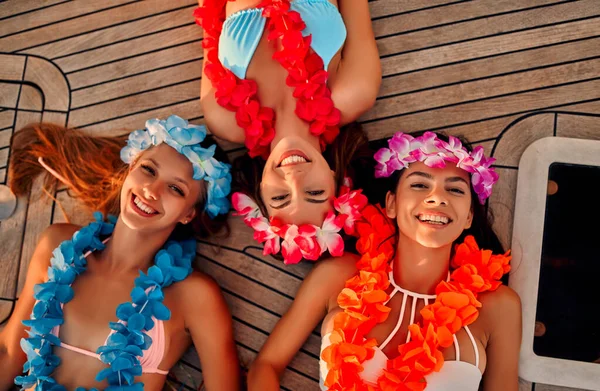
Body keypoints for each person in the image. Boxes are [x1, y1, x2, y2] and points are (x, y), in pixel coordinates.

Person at [247, 131, 522, 390]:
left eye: (456, 190)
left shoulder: (498, 307)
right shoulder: (339, 276)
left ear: (469, 217)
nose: (437, 198)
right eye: (419, 184)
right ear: (391, 203)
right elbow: (266, 365)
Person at [0, 115, 240, 391]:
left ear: (188, 214)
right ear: (131, 168)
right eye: (149, 170)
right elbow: (9, 352)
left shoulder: (194, 296)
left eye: (175, 188)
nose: (151, 190)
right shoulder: (60, 244)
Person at [195, 0, 381, 262]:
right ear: (336, 180)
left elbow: (209, 20)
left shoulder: (224, 119)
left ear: (260, 190)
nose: (294, 178)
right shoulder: (355, 93)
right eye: (315, 193)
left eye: (280, 197)